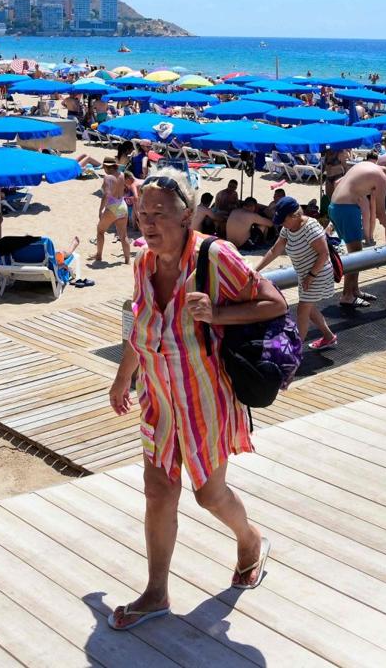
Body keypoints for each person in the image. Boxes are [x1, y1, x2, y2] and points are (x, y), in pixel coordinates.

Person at [107, 168, 283, 630]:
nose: (147, 222)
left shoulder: (215, 254)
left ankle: (250, 539)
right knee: (158, 491)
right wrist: (123, 377)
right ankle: (156, 592)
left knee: (209, 495)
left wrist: (219, 313)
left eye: (159, 214)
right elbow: (142, 326)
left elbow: (274, 303)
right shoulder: (142, 262)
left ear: (187, 216)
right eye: (142, 213)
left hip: (205, 401)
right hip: (159, 401)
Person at [256, 197, 337, 350]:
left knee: (302, 310)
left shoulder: (310, 227)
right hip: (305, 274)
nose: (280, 223)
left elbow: (324, 254)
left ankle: (295, 351)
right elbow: (275, 250)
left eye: (283, 219)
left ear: (295, 215)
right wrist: (256, 270)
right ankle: (329, 336)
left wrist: (311, 276)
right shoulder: (288, 228)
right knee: (309, 308)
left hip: (317, 273)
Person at [329, 162, 386, 314]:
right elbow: (380, 212)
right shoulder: (382, 178)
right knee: (356, 255)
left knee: (355, 252)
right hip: (346, 209)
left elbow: (338, 182)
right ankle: (346, 295)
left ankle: (354, 290)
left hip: (335, 207)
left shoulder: (365, 165)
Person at [93, 157, 131, 265]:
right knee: (123, 236)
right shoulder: (122, 174)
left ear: (105, 166)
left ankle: (99, 256)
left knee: (100, 231)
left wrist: (100, 210)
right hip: (122, 205)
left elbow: (106, 194)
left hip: (112, 206)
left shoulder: (107, 177)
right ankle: (127, 260)